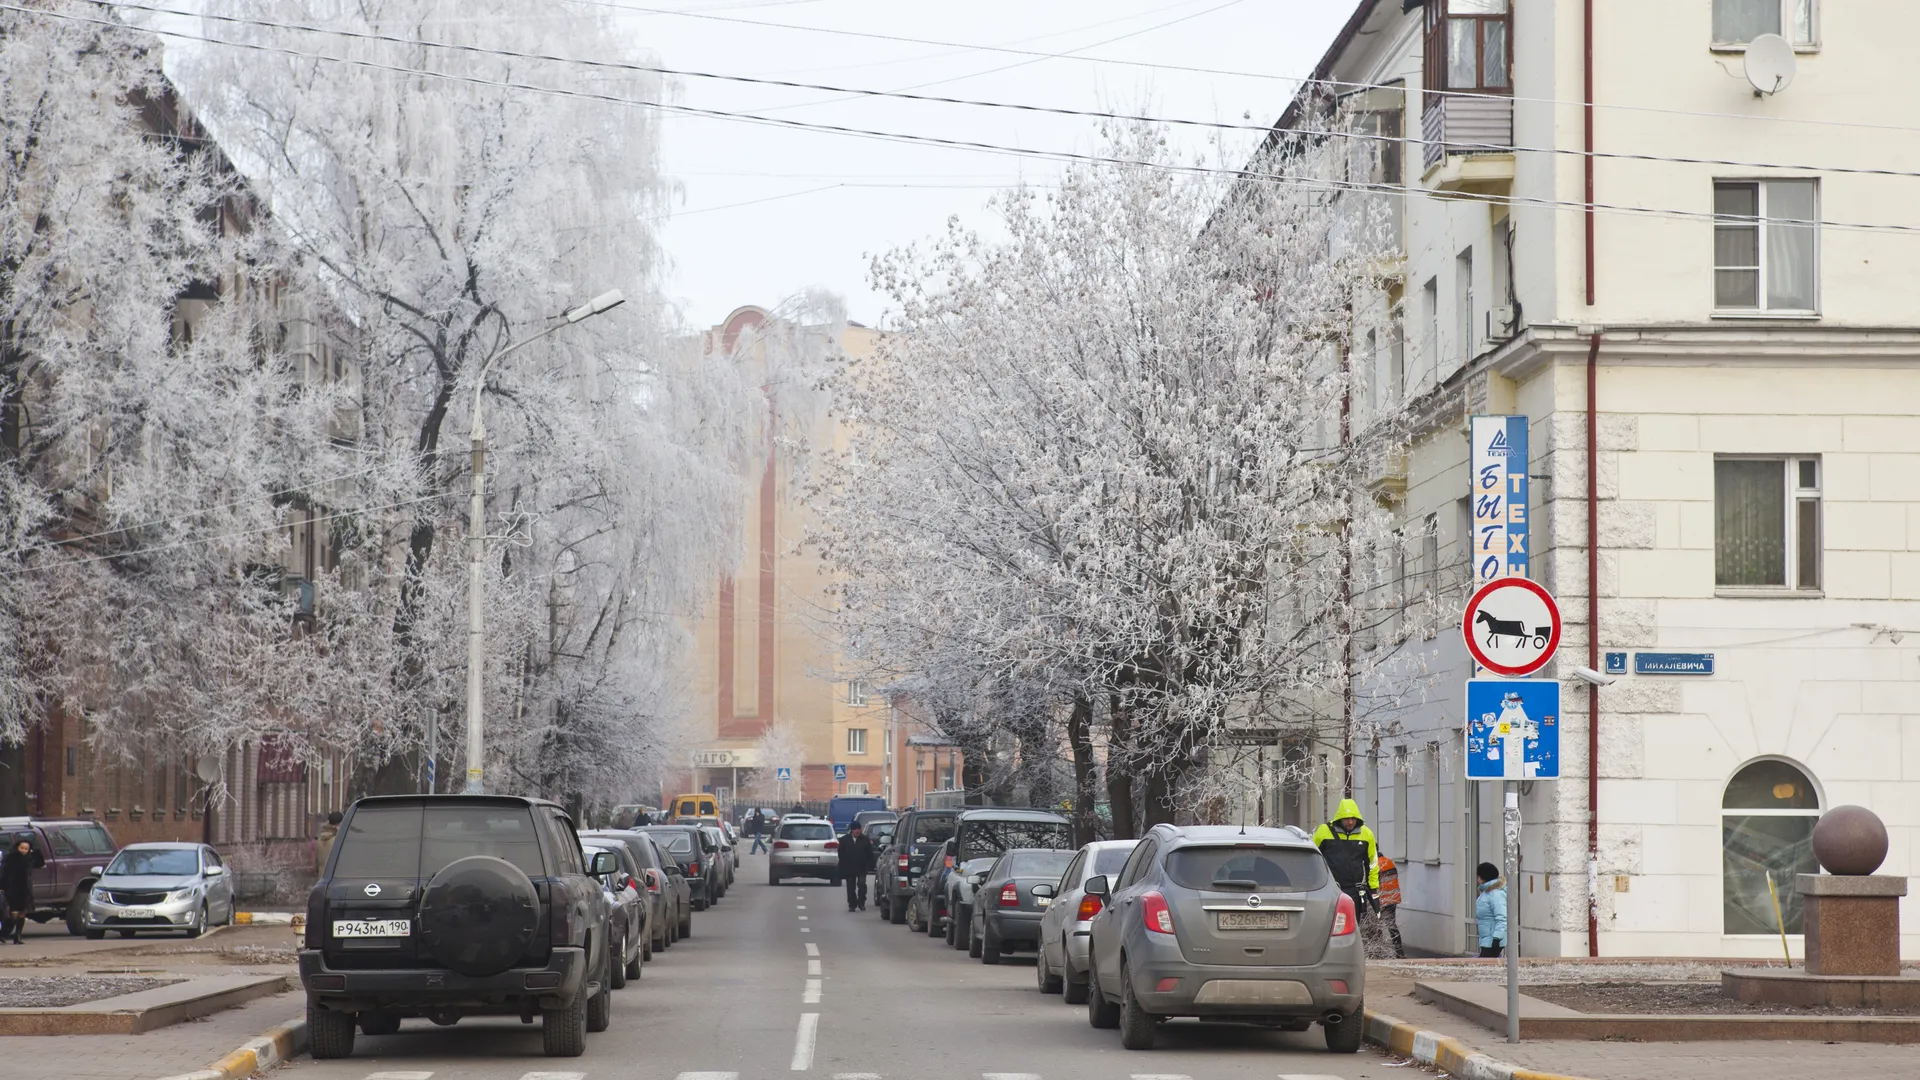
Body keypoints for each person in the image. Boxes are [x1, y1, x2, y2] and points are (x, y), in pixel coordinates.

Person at [1311, 798, 1379, 913]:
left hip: (1354, 891)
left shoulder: (1366, 834)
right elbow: (1312, 858)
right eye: (1347, 819)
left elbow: (1372, 864)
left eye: (1353, 818)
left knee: (1352, 927)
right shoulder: (1324, 831)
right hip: (1329, 889)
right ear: (1340, 818)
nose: (1350, 822)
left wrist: (1373, 889)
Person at [0, 837, 43, 945]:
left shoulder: (29, 858)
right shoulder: (11, 858)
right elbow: (4, 873)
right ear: (17, 848)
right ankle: (3, 934)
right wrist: (2, 886)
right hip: (13, 888)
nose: (23, 850)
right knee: (13, 915)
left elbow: (39, 863)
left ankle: (17, 936)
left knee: (22, 914)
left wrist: (36, 852)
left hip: (25, 889)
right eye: (21, 848)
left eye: (26, 848)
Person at [1372, 854, 1407, 959]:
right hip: (1392, 899)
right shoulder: (1389, 862)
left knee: (1376, 927)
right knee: (1392, 926)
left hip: (1380, 900)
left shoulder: (1373, 865)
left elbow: (1373, 883)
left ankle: (1378, 952)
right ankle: (1399, 952)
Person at [837, 821, 876, 912]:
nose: (857, 831)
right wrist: (843, 864)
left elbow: (870, 854)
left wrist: (871, 865)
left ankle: (861, 902)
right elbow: (841, 854)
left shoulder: (865, 840)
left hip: (861, 867)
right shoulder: (844, 840)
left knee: (862, 885)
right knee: (850, 888)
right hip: (849, 868)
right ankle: (852, 904)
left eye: (858, 829)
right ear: (852, 830)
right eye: (855, 829)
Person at [1475, 861, 1507, 958]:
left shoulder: (1495, 894)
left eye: (1478, 876)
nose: (1477, 879)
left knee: (1485, 967)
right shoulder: (1487, 892)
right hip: (1488, 939)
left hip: (1493, 940)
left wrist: (1497, 938)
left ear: (1482, 877)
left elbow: (1502, 917)